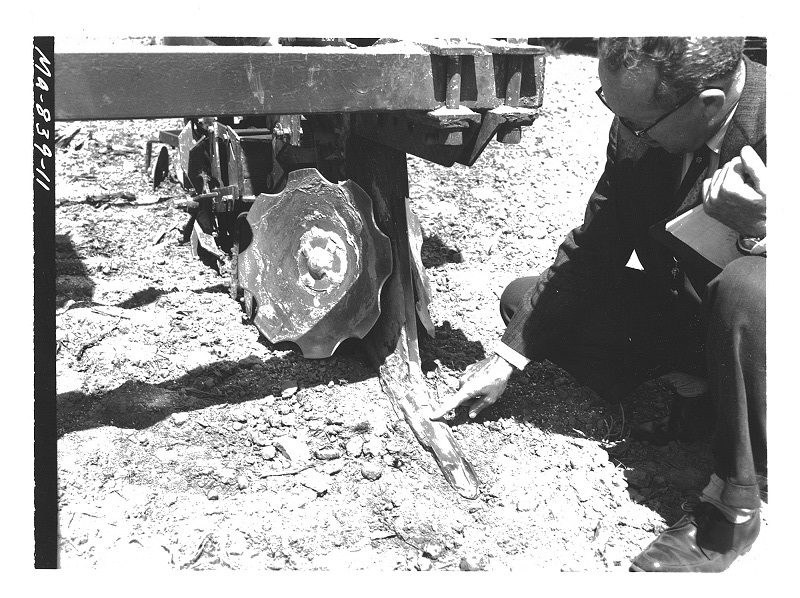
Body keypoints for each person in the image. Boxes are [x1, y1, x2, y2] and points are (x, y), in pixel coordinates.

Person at [429, 37, 766, 573]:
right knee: (525, 302)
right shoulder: (645, 127)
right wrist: (506, 358)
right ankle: (705, 390)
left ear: (708, 103)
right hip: (706, 323)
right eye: (613, 109)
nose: (624, 130)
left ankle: (732, 508)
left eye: (638, 123)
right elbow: (597, 245)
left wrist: (770, 231)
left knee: (751, 287)